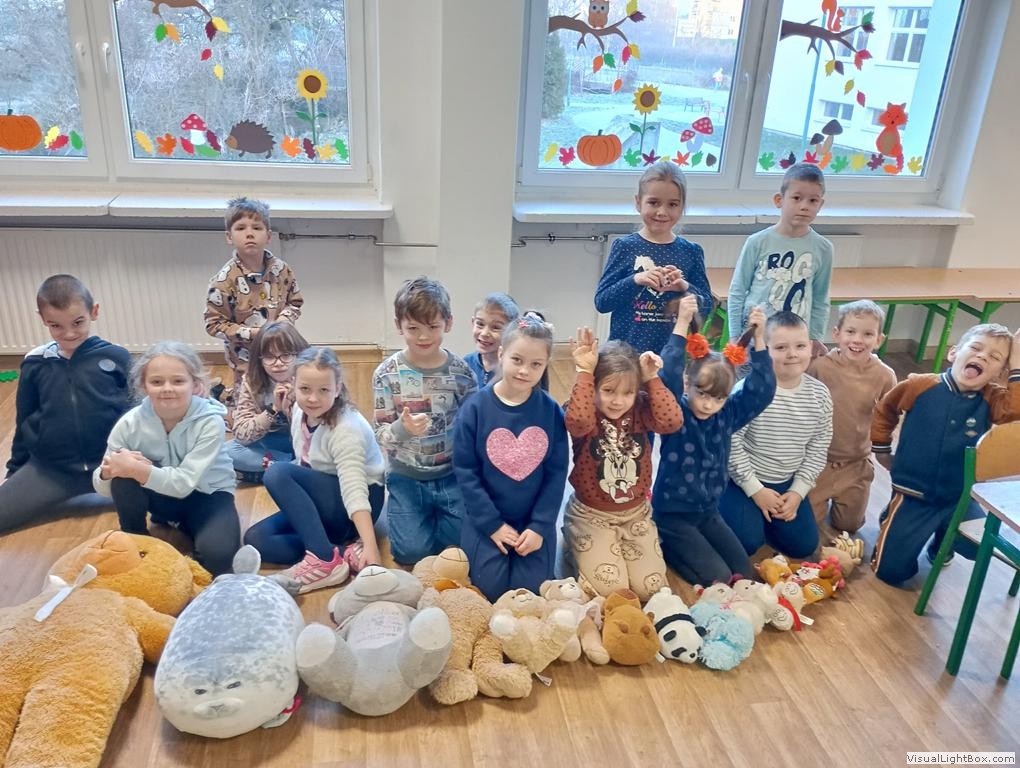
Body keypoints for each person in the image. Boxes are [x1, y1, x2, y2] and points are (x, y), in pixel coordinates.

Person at [870, 324, 1020, 585]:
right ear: (953, 353)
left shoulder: (992, 398)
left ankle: (942, 539)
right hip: (913, 493)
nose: (983, 356)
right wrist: (882, 448)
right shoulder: (919, 385)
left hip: (957, 495)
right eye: (976, 347)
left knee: (978, 547)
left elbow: (1016, 410)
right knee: (890, 573)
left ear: (1000, 373)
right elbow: (886, 408)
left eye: (995, 357)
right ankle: (895, 514)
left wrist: (1016, 365)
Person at [653, 295, 774, 586]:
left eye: (718, 398)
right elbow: (667, 374)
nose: (708, 404)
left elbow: (762, 391)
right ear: (688, 382)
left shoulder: (727, 414)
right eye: (702, 394)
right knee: (719, 578)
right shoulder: (676, 412)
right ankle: (662, 541)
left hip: (708, 512)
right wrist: (682, 323)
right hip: (673, 515)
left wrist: (759, 340)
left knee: (744, 572)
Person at [244, 347, 386, 594]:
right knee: (255, 539)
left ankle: (324, 558)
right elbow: (305, 463)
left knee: (277, 473)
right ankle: (342, 553)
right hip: (326, 500)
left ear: (337, 389)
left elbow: (354, 489)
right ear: (293, 384)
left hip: (354, 507)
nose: (313, 398)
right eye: (305, 389)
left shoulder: (346, 428)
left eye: (324, 390)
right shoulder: (300, 411)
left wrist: (371, 546)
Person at [94, 341, 240, 576]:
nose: (167, 388)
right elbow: (102, 489)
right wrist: (107, 472)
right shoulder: (129, 424)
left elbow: (183, 484)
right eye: (157, 382)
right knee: (123, 477)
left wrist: (135, 469)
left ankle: (186, 525)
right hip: (162, 495)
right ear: (144, 386)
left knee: (218, 559)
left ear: (195, 385)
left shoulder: (210, 422)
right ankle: (136, 541)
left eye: (178, 381)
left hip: (209, 496)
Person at [0, 275, 132, 533]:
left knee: (179, 498)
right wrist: (15, 472)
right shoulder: (35, 364)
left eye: (78, 322)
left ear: (94, 312)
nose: (69, 333)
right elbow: (25, 419)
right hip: (51, 471)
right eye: (56, 326)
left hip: (111, 467)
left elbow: (139, 413)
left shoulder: (117, 356)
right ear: (42, 319)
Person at [453, 313, 569, 602]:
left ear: (545, 365)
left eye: (536, 364)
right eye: (517, 360)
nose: (524, 371)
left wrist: (540, 526)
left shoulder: (551, 411)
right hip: (486, 518)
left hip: (533, 521)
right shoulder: (475, 409)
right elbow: (466, 473)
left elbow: (556, 475)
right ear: (501, 354)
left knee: (528, 590)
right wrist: (492, 525)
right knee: (489, 588)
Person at [563, 328, 682, 601]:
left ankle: (610, 549)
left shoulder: (640, 407)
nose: (618, 401)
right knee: (612, 589)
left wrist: (651, 378)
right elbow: (577, 423)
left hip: (636, 514)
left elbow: (672, 421)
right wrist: (584, 371)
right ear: (594, 387)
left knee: (651, 588)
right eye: (608, 391)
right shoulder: (586, 409)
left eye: (627, 392)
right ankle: (573, 541)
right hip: (591, 515)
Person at [373, 276, 477, 565]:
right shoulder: (386, 373)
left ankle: (428, 519)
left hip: (451, 475)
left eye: (432, 327)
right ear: (399, 326)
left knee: (463, 546)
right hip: (406, 476)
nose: (423, 337)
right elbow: (380, 432)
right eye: (413, 328)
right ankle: (416, 518)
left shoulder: (462, 373)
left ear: (448, 323)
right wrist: (401, 429)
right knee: (410, 553)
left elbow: (474, 426)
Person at [720, 312, 831, 560]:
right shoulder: (747, 391)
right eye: (781, 348)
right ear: (765, 351)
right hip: (741, 481)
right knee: (747, 542)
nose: (792, 354)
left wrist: (798, 492)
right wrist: (756, 491)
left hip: (786, 482)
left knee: (803, 546)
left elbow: (818, 447)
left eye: (800, 346)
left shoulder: (820, 394)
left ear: (811, 347)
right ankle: (739, 511)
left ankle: (765, 519)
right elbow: (731, 443)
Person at [595, 160, 713, 355]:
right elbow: (602, 302)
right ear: (638, 202)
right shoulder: (625, 247)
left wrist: (683, 286)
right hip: (625, 357)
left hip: (669, 356)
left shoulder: (691, 251)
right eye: (653, 202)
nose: (662, 212)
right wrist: (636, 279)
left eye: (672, 204)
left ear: (681, 207)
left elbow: (706, 306)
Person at [807, 300, 897, 536]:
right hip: (819, 461)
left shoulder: (885, 376)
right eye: (850, 331)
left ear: (879, 340)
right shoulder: (820, 367)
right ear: (836, 334)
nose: (857, 340)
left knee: (849, 525)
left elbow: (889, 418)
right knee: (808, 524)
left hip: (856, 463)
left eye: (867, 334)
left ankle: (847, 502)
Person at [204, 197, 303, 403]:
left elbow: (295, 302)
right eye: (241, 228)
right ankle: (227, 399)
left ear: (268, 236)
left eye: (257, 228)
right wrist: (254, 333)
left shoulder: (282, 270)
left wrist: (284, 320)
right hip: (246, 361)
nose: (249, 234)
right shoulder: (222, 282)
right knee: (250, 401)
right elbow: (214, 325)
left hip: (281, 354)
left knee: (287, 395)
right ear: (229, 236)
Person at [727, 163, 832, 351]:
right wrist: (735, 334)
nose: (804, 206)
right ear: (779, 200)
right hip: (754, 337)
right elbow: (738, 290)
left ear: (820, 205)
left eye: (813, 201)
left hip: (793, 342)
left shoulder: (823, 248)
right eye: (797, 198)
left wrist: (815, 337)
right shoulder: (757, 242)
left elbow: (820, 297)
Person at [227, 321, 310, 483]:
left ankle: (271, 472)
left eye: (286, 355)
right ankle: (292, 468)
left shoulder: (310, 376)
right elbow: (241, 434)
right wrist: (273, 410)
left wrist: (293, 405)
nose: (278, 363)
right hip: (272, 445)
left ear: (298, 355)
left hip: (306, 442)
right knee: (227, 451)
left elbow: (320, 428)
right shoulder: (252, 381)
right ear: (260, 359)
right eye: (269, 357)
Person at [464, 292, 520, 387]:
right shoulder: (465, 364)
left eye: (496, 327)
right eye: (480, 324)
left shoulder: (516, 370)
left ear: (512, 331)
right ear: (473, 322)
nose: (484, 333)